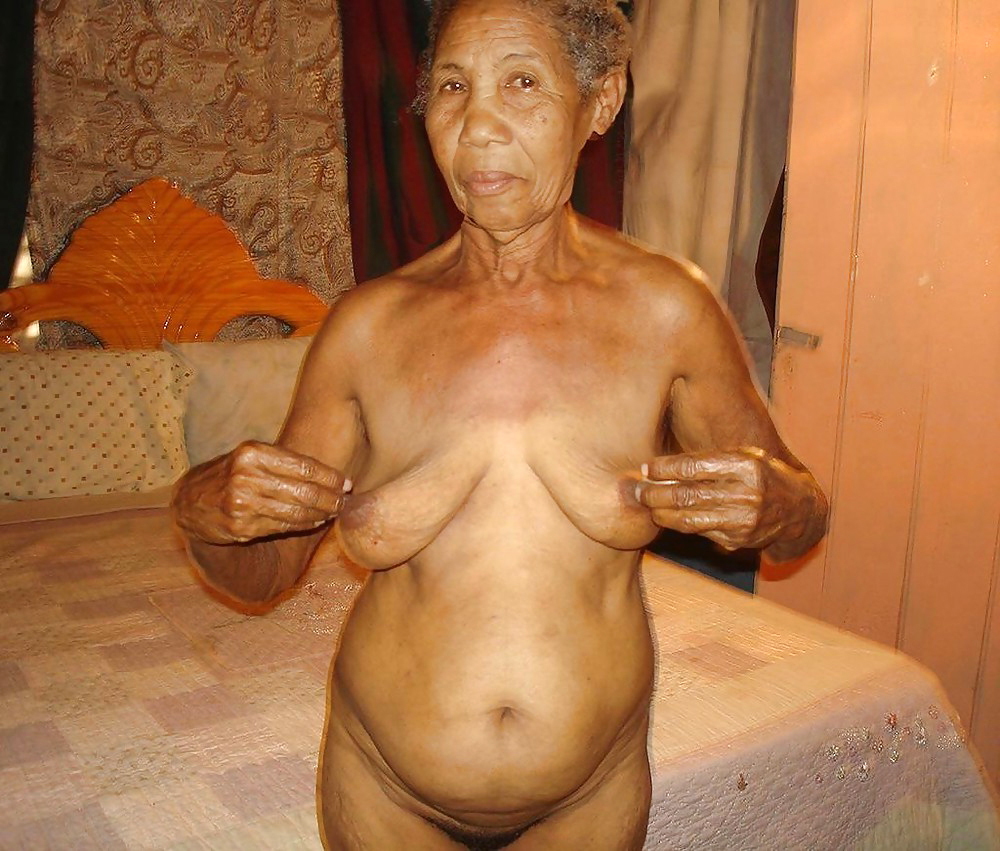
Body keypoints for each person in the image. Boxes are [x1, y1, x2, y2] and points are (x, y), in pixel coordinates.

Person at [171, 1, 828, 847]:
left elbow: (801, 514)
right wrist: (202, 508)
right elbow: (262, 575)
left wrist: (780, 503)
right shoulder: (367, 328)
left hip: (591, 793)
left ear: (600, 102)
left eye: (521, 82)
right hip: (382, 788)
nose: (478, 125)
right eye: (453, 87)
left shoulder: (669, 309)